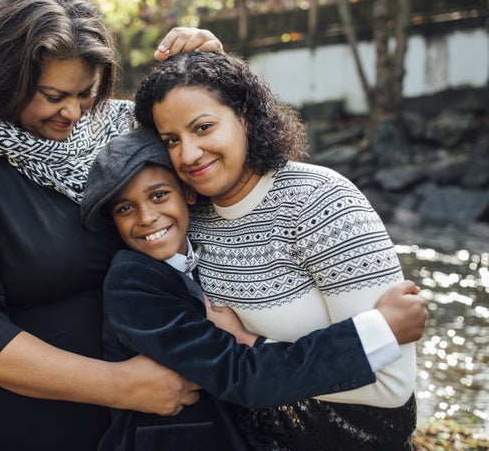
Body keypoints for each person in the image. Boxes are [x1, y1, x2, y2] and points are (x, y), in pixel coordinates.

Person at [0, 0, 423, 450]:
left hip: (114, 421)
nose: (73, 113)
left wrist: (211, 64)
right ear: (2, 79)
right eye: (54, 96)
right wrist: (120, 384)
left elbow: (207, 132)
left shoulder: (112, 131)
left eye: (87, 94)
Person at [134, 50, 420, 450]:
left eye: (202, 127)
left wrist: (247, 348)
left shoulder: (321, 202)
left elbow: (390, 384)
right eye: (171, 140)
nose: (188, 154)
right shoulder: (187, 220)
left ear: (245, 116)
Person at [79, 126, 425, 450]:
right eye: (125, 208)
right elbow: (237, 373)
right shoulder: (131, 283)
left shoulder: (199, 241)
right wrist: (376, 332)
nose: (146, 217)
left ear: (187, 193)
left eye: (158, 195)